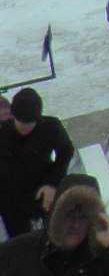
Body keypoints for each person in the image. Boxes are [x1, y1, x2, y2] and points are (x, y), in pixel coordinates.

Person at [0, 174, 109, 275]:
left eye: (84, 217)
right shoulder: (24, 250)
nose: (76, 225)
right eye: (69, 215)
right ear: (56, 216)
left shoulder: (107, 253)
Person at [0, 91, 73, 240]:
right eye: (21, 122)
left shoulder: (50, 127)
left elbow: (66, 151)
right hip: (10, 197)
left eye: (30, 122)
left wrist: (52, 182)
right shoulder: (3, 133)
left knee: (57, 233)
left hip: (41, 187)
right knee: (21, 242)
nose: (26, 127)